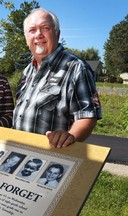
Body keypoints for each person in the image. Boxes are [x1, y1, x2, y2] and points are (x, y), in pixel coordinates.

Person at [13, 8, 102, 148]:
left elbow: (87, 116)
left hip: (52, 157)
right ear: (26, 38)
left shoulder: (76, 68)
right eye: (32, 30)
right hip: (20, 153)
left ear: (57, 34)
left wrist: (70, 137)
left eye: (45, 28)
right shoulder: (27, 71)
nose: (38, 35)